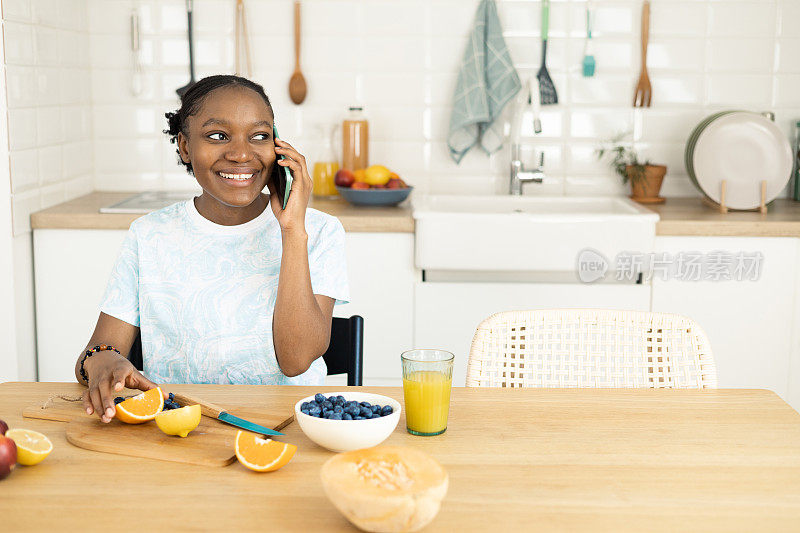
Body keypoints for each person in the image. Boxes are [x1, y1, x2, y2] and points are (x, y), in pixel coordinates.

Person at [74, 75, 349, 423]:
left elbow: (296, 362)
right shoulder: (149, 235)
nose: (241, 154)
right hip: (180, 426)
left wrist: (293, 231)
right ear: (185, 147)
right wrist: (104, 361)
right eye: (218, 136)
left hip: (286, 424)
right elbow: (97, 352)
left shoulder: (320, 231)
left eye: (259, 136)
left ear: (278, 146)